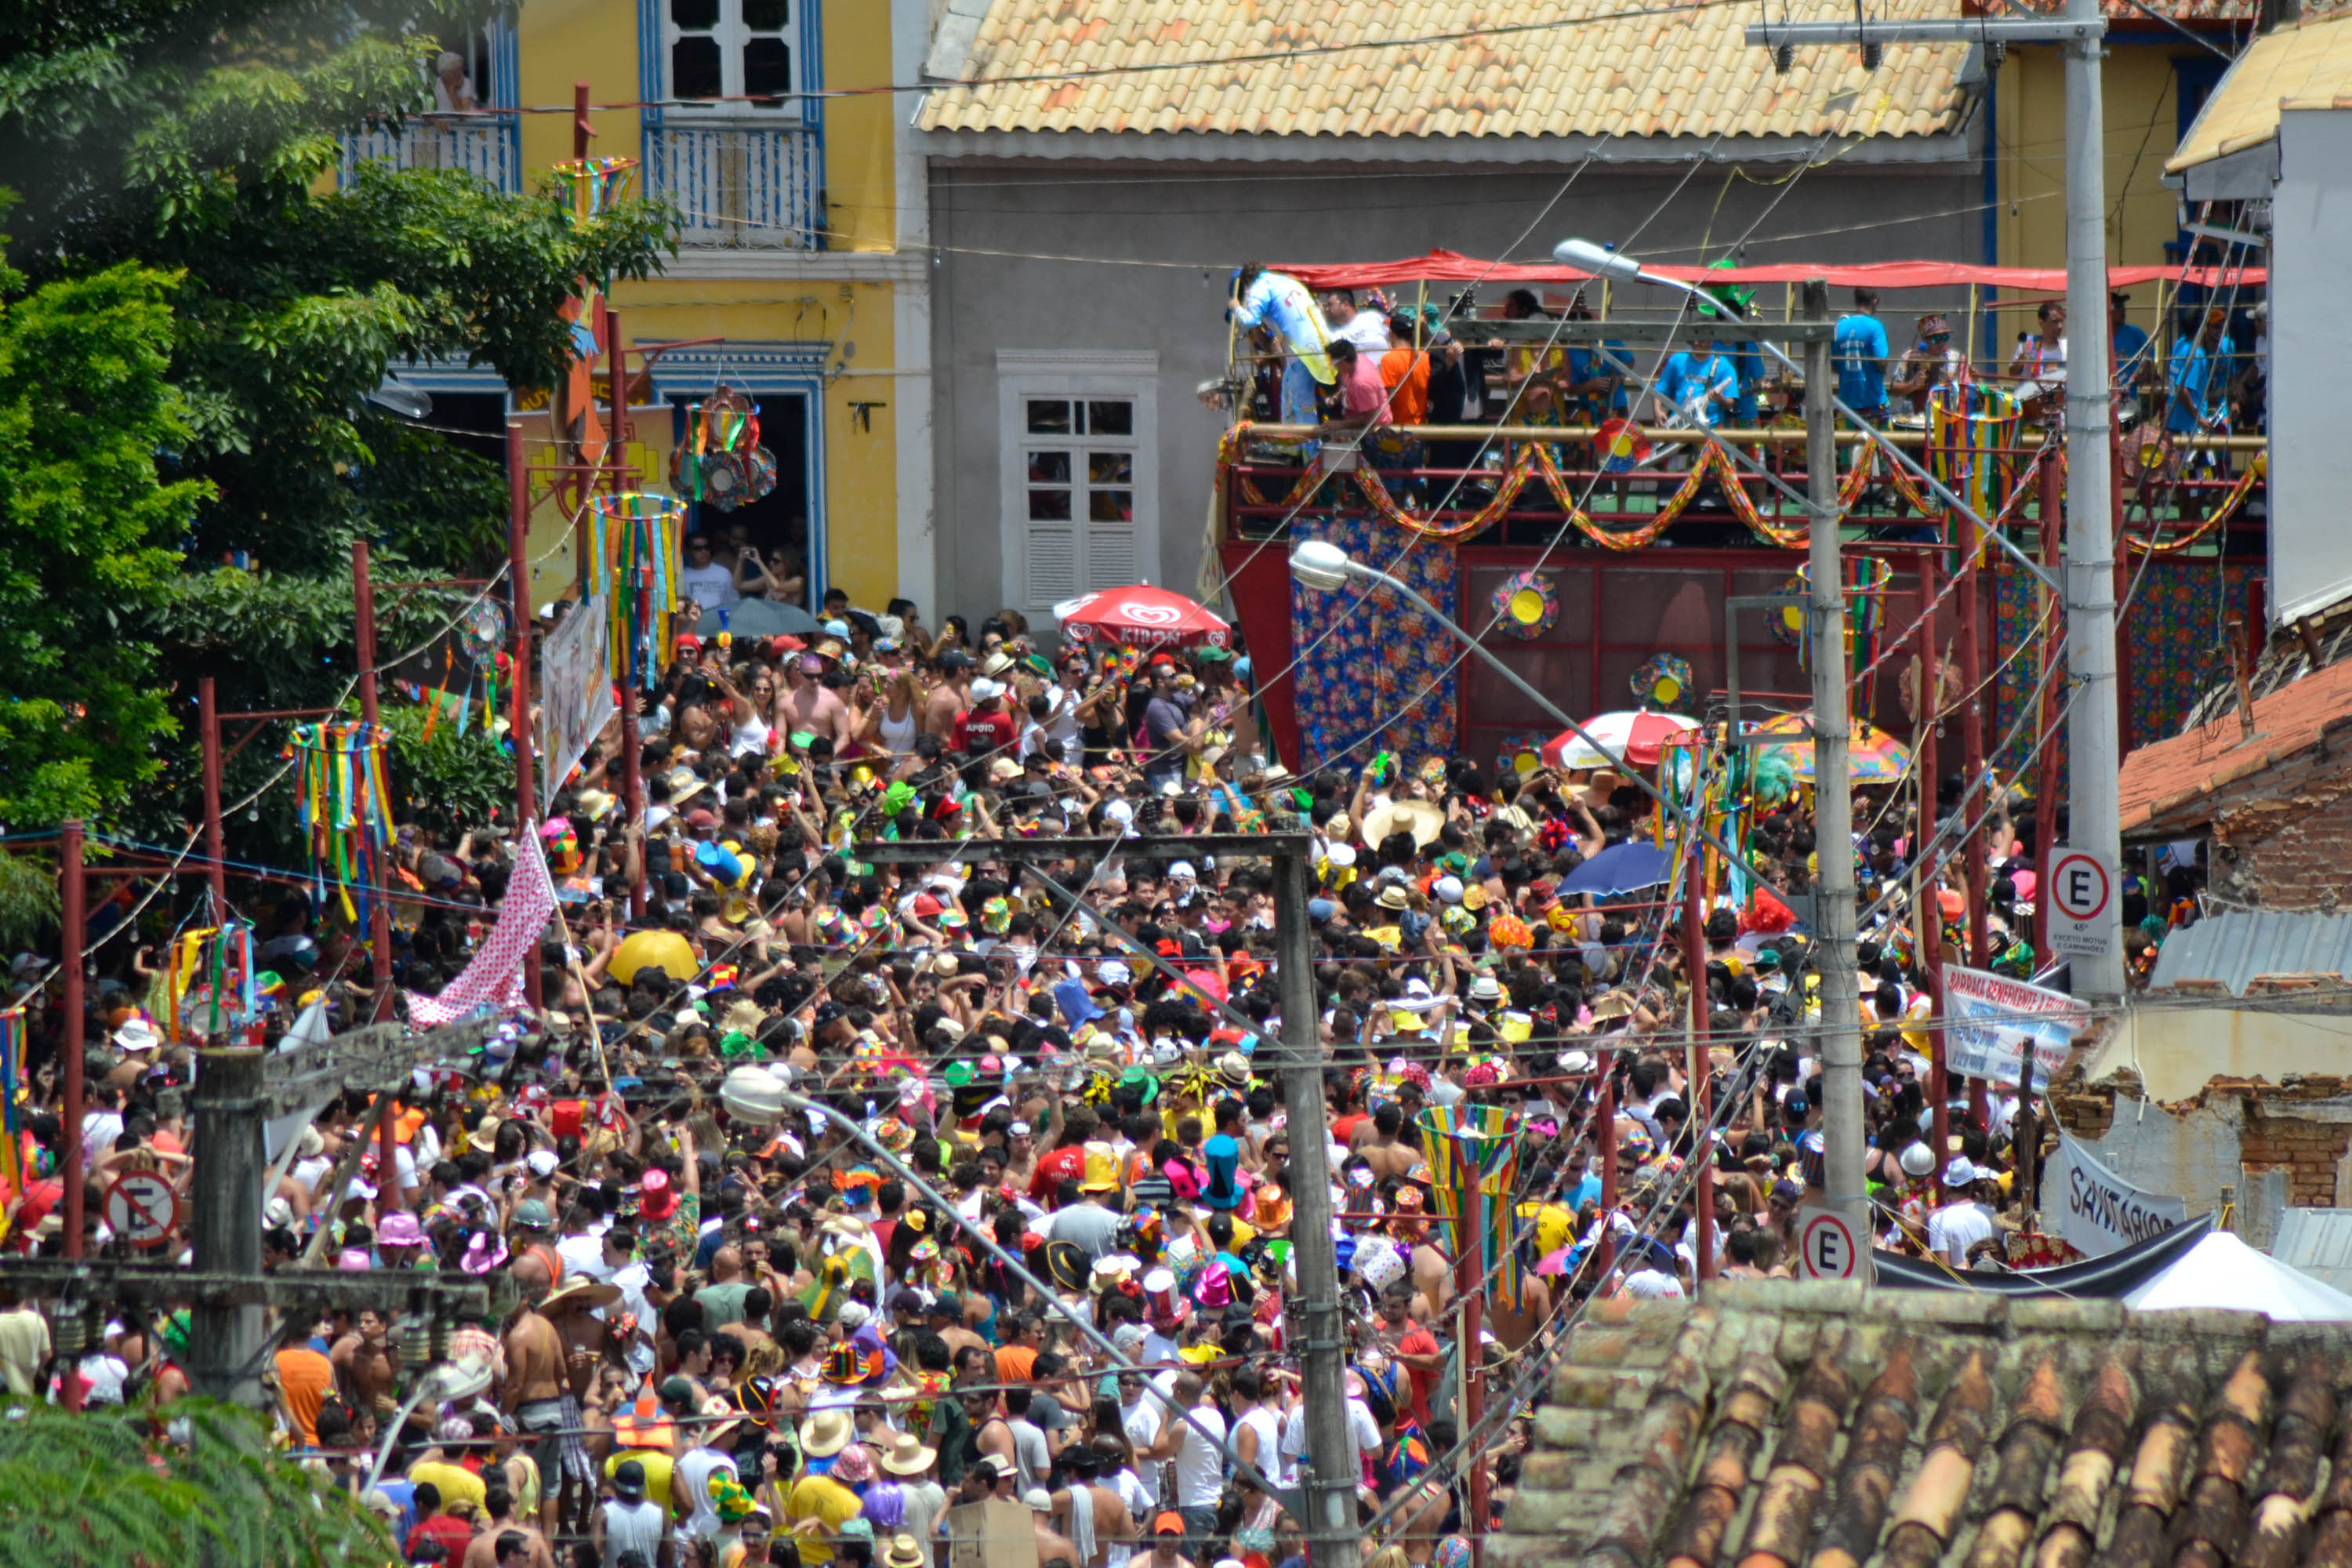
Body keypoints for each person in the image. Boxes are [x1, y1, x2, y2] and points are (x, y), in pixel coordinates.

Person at [1228, 265, 1336, 425]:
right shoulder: (1287, 282)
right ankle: (1292, 440)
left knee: (1302, 401)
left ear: (1248, 282)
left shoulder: (1259, 287)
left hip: (1300, 351)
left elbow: (1251, 320)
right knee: (1288, 393)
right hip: (1318, 343)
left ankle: (1310, 447)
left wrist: (1236, 307)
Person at [1834, 287, 1890, 420]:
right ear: (1875, 301)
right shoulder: (1876, 326)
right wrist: (1883, 370)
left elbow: (1833, 364)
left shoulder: (1839, 326)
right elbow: (1881, 361)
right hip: (1874, 401)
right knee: (1877, 441)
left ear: (1855, 301)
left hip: (1847, 403)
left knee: (1848, 440)